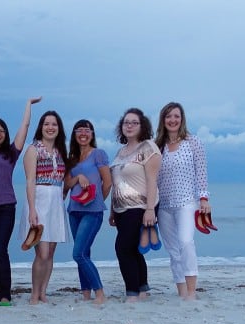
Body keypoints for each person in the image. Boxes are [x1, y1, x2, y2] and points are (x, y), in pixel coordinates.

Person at [0, 97, 42, 305]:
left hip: (6, 207)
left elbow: (25, 126)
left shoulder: (10, 154)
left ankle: (5, 294)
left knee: (0, 249)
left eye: (1, 131)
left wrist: (28, 105)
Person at [155, 102, 211, 300]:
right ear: (163, 120)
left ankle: (192, 292)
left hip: (187, 202)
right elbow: (152, 177)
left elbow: (201, 173)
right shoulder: (157, 146)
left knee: (186, 243)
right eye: (168, 116)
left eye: (176, 116)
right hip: (163, 206)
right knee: (173, 250)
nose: (172, 120)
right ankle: (182, 292)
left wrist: (204, 198)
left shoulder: (193, 142)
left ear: (182, 119)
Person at [109, 108, 161, 303]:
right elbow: (117, 184)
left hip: (140, 206)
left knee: (122, 248)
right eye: (126, 122)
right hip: (121, 209)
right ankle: (142, 289)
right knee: (133, 249)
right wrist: (113, 211)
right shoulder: (120, 152)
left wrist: (149, 210)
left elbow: (152, 180)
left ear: (142, 126)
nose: (129, 126)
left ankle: (132, 293)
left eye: (134, 122)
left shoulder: (148, 147)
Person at [18, 110, 69, 304]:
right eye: (47, 124)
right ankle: (34, 293)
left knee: (51, 253)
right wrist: (32, 209)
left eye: (54, 124)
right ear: (41, 127)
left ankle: (43, 292)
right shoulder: (33, 149)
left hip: (55, 202)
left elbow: (64, 180)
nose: (50, 127)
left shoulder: (60, 150)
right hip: (39, 201)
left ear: (59, 128)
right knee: (42, 252)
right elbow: (30, 181)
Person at [64, 120, 112, 304]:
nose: (83, 133)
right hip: (73, 210)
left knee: (78, 254)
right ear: (75, 134)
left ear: (92, 133)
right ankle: (86, 293)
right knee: (84, 253)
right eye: (79, 130)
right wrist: (78, 177)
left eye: (87, 130)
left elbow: (107, 182)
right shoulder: (72, 157)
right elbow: (67, 184)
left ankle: (99, 293)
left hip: (92, 212)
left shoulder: (98, 154)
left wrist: (98, 202)